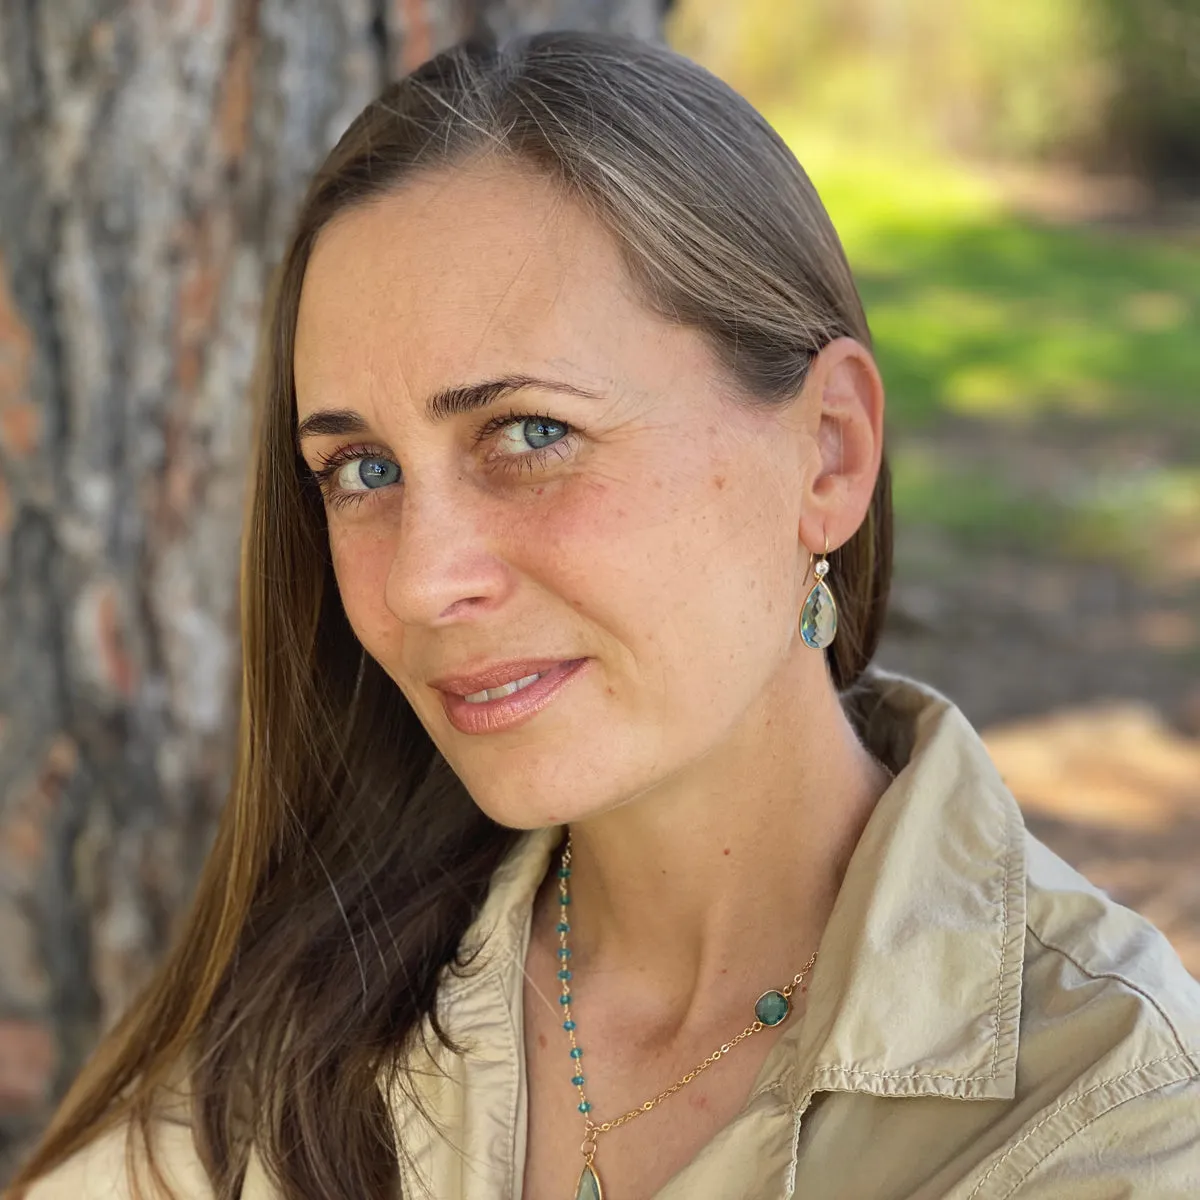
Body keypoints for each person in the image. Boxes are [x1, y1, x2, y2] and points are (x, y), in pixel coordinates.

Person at [11, 28, 1200, 1200]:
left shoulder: (1110, 1110)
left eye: (531, 435)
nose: (424, 582)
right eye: (364, 471)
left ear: (828, 455)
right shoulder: (319, 997)